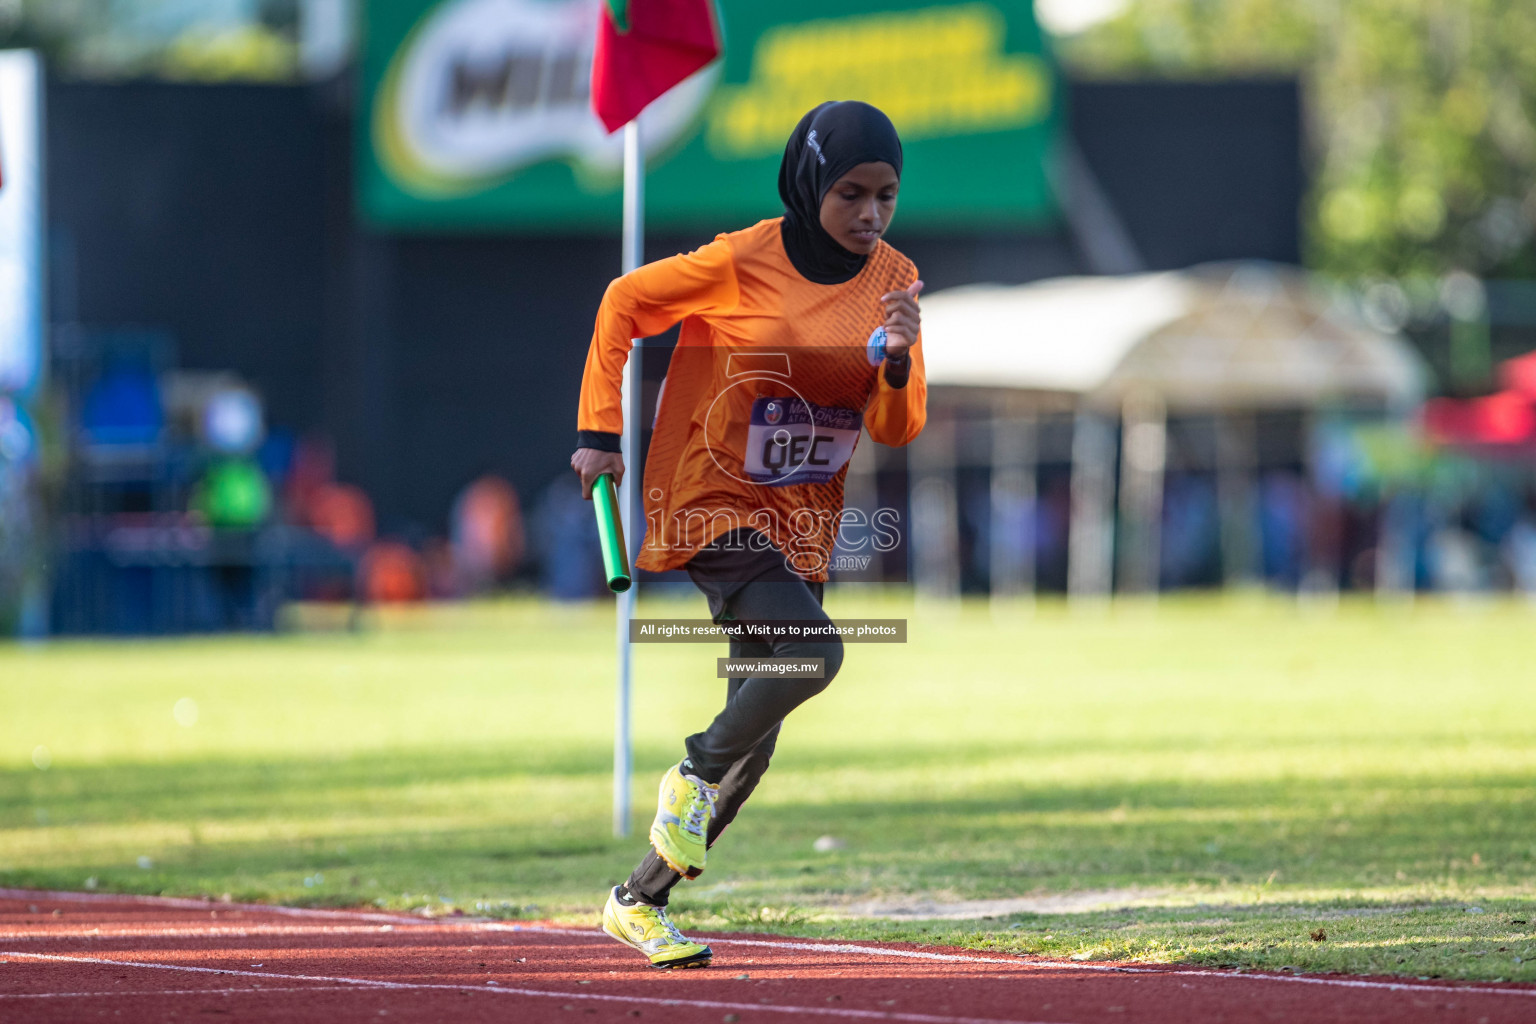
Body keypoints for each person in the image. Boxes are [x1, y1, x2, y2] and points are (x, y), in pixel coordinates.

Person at [571, 101, 926, 970]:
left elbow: (896, 428)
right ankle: (691, 771)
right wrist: (599, 435)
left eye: (885, 194)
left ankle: (638, 900)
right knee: (814, 653)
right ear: (811, 184)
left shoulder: (896, 277)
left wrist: (895, 360)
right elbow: (623, 304)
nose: (870, 214)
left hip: (800, 520)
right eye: (851, 193)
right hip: (710, 495)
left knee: (756, 744)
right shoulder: (742, 260)